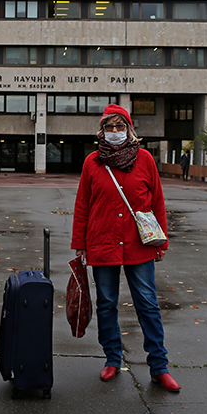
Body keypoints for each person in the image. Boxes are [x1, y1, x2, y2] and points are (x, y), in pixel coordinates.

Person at [71, 104, 180, 392]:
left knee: (147, 303)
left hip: (139, 244)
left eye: (120, 127)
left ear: (130, 130)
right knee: (106, 303)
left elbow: (157, 201)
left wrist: (163, 239)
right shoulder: (92, 162)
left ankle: (159, 365)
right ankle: (112, 358)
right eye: (110, 127)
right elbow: (82, 205)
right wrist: (79, 244)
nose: (115, 132)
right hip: (102, 242)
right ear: (102, 131)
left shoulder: (144, 159)